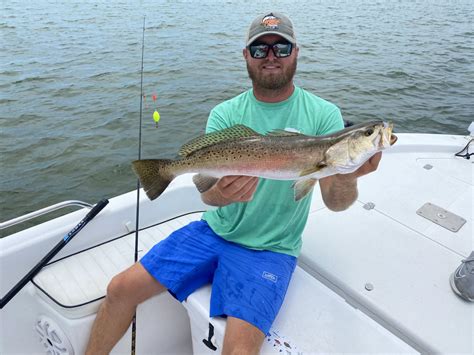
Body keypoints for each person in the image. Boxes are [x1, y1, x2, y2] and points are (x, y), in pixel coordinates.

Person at [86, 11, 382, 354]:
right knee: (119, 289)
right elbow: (207, 193)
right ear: (247, 56)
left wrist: (346, 174)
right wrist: (221, 195)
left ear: (296, 52)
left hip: (270, 250)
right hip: (211, 232)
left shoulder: (324, 116)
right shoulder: (225, 113)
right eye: (260, 50)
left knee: (239, 350)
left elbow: (336, 202)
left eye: (281, 48)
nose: (271, 57)